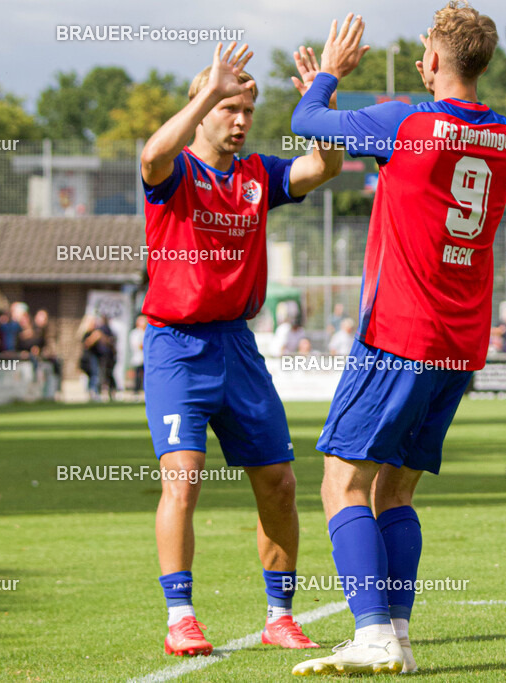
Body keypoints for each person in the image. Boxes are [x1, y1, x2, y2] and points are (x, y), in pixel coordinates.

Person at [290, 5, 506, 674]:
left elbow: (306, 124)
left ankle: (370, 633)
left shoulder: (405, 121)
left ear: (432, 62)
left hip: (399, 331)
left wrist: (328, 76)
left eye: (424, 50)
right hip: (461, 341)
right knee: (396, 491)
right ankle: (396, 633)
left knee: (342, 481)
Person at [139, 39, 343, 656]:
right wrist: (208, 88)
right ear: (201, 110)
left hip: (238, 347)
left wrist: (323, 93)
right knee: (184, 481)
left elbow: (324, 168)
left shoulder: (259, 175)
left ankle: (279, 616)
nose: (241, 121)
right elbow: (150, 154)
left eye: (248, 111)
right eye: (230, 107)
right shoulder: (174, 171)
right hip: (176, 347)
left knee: (280, 484)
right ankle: (180, 617)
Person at [128, 314, 146, 396]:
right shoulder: (135, 333)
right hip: (138, 358)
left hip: (146, 358)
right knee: (138, 376)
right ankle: (136, 391)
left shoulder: (146, 332)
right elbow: (138, 345)